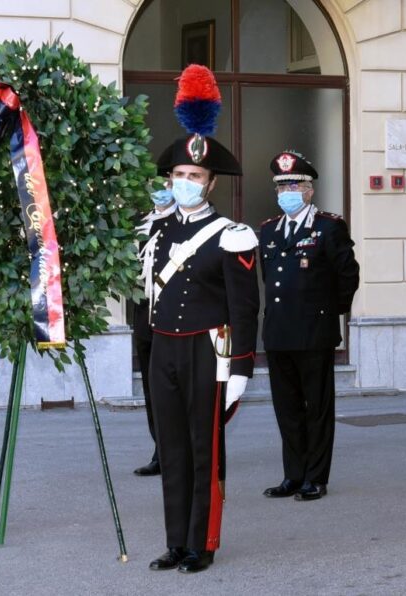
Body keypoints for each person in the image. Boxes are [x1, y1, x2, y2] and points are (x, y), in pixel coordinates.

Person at [144, 65, 259, 574]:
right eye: (179, 176)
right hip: (163, 347)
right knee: (170, 449)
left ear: (211, 183)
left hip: (208, 351)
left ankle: (202, 542)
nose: (186, 183)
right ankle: (175, 541)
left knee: (202, 448)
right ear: (168, 180)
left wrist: (241, 370)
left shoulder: (231, 234)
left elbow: (245, 306)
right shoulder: (155, 231)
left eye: (195, 177)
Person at [259, 150, 359, 502]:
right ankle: (293, 475)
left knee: (316, 409)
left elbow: (348, 275)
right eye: (282, 185)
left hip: (314, 333)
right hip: (278, 333)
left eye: (295, 184)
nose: (287, 190)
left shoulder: (329, 227)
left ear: (310, 190)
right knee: (286, 409)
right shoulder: (268, 230)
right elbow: (268, 279)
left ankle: (315, 477)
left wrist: (329, 313)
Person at [132, 190, 177, 477]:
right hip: (143, 314)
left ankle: (177, 452)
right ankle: (160, 450)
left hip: (172, 315)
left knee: (171, 388)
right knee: (152, 389)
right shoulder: (139, 224)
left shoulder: (181, 222)